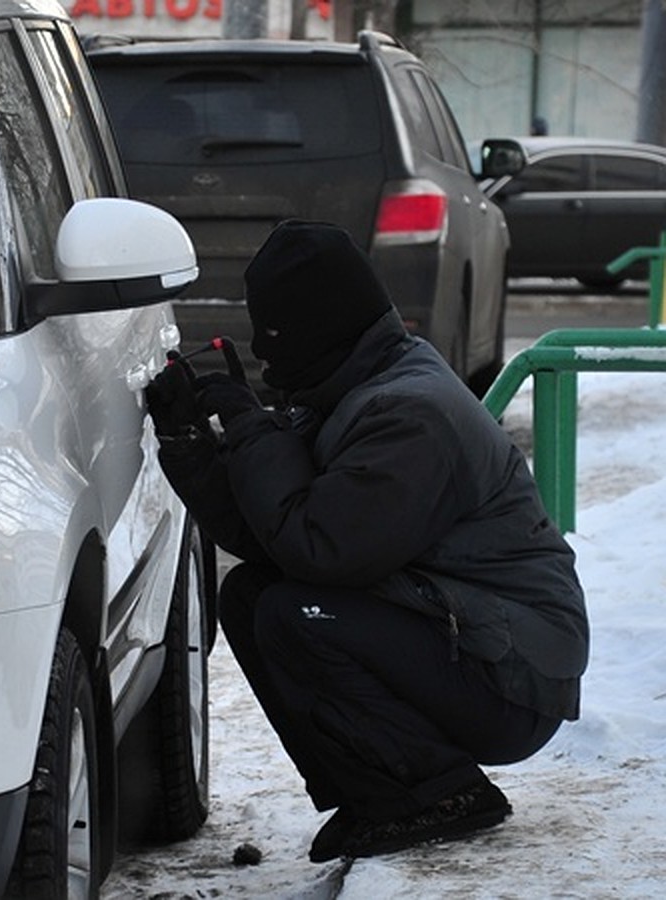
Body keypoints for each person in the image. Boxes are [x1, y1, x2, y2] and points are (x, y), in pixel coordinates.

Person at [144, 220, 588, 862]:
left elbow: (320, 549)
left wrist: (250, 427)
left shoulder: (409, 415)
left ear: (314, 327)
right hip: (467, 633)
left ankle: (440, 794)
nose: (266, 358)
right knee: (251, 594)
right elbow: (269, 535)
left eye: (274, 337)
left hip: (516, 676)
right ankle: (379, 790)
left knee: (299, 612)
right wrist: (192, 445)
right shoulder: (355, 384)